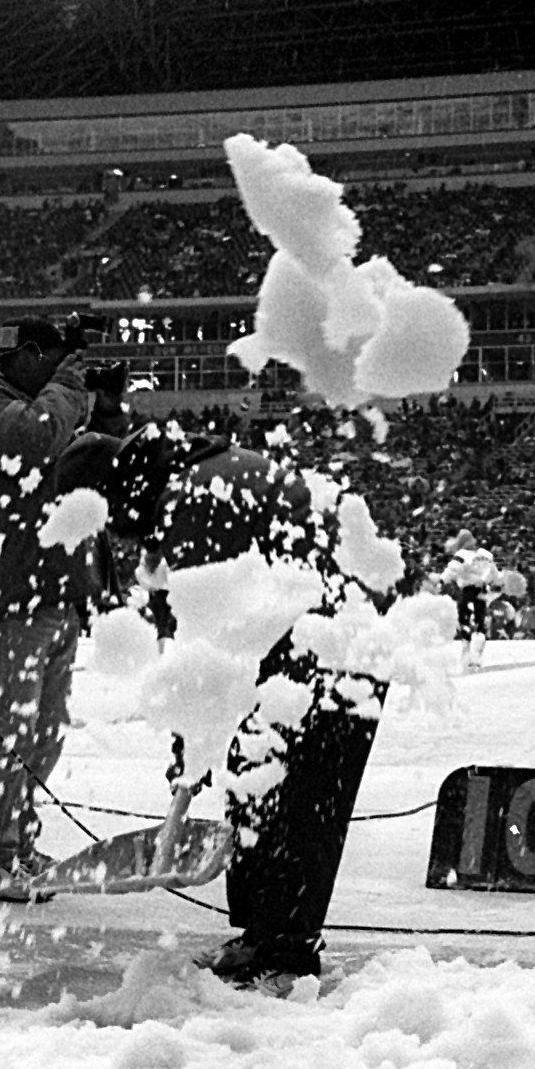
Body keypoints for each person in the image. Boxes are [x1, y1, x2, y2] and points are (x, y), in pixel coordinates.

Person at [74, 421, 390, 995]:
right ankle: (260, 933)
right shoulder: (189, 480)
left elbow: (208, 641)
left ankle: (287, 949)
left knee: (302, 796)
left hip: (334, 645)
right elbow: (196, 636)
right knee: (254, 784)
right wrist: (190, 743)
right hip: (292, 641)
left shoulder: (194, 497)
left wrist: (192, 749)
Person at [0, 316, 129, 903]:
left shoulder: (39, 402)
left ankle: (17, 843)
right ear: (29, 354)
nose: (66, 376)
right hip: (14, 590)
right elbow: (36, 440)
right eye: (58, 362)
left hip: (58, 587)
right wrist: (70, 388)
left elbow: (98, 469)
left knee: (44, 733)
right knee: (13, 732)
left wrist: (107, 413)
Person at [440, 529, 497, 670]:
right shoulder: (487, 555)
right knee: (480, 621)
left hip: (468, 591)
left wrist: (441, 581)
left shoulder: (461, 555)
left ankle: (466, 654)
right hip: (483, 591)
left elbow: (452, 569)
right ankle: (477, 656)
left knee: (464, 619)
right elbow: (494, 574)